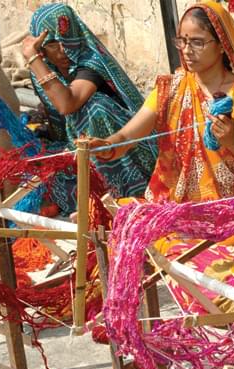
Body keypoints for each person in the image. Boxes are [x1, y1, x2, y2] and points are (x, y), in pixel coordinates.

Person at [89, 0, 234, 203]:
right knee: (111, 214)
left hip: (230, 209)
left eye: (197, 42)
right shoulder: (172, 89)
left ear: (222, 44)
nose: (187, 50)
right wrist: (107, 145)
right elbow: (128, 135)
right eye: (182, 41)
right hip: (173, 205)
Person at [22, 3, 157, 213]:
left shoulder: (91, 61)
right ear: (42, 49)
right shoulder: (42, 69)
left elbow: (67, 103)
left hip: (128, 148)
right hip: (84, 149)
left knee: (95, 108)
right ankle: (96, 199)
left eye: (67, 38)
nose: (63, 49)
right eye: (53, 43)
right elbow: (58, 123)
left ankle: (125, 194)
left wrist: (32, 58)